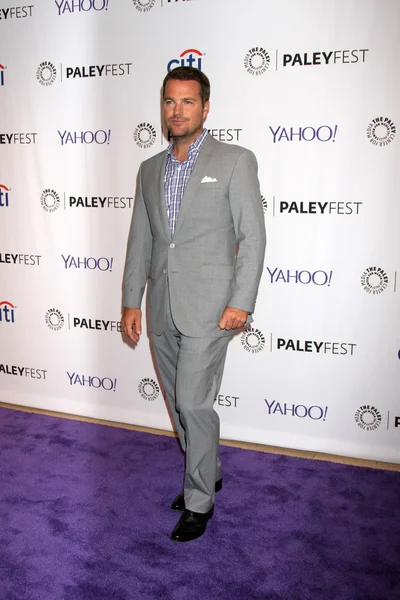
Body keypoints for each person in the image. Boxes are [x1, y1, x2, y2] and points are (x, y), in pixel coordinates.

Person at [121, 66, 266, 542]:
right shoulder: (148, 170)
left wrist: (241, 302)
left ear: (206, 107)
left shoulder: (235, 160)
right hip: (162, 306)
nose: (177, 111)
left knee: (192, 403)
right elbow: (140, 241)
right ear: (161, 106)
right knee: (177, 405)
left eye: (188, 102)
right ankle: (209, 467)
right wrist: (130, 302)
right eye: (169, 101)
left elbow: (253, 236)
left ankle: (200, 499)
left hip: (212, 308)